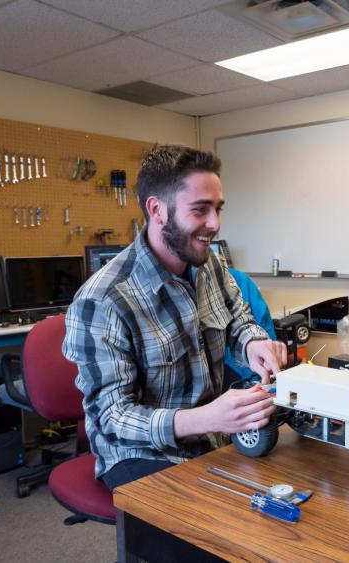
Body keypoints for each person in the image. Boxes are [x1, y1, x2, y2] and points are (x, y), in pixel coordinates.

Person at [62, 145, 287, 490]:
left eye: (217, 209)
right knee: (209, 526)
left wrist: (254, 343)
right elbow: (113, 418)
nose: (215, 224)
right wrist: (206, 417)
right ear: (157, 210)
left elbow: (239, 319)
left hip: (210, 436)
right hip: (140, 453)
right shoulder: (103, 300)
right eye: (201, 210)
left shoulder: (208, 264)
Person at [223, 268, 278, 386]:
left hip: (250, 376)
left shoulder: (229, 277)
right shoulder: (239, 279)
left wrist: (253, 344)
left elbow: (264, 335)